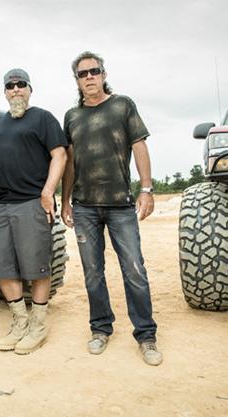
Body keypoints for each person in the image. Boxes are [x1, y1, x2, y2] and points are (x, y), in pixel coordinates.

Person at [61, 51, 162, 366]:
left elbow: (139, 145)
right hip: (84, 208)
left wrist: (146, 189)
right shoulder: (72, 116)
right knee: (93, 273)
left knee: (134, 270)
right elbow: (70, 162)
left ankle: (146, 335)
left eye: (94, 71)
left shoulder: (122, 105)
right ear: (77, 80)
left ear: (103, 75)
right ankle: (100, 329)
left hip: (120, 205)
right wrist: (65, 200)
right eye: (83, 74)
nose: (89, 77)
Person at [0, 69, 67, 355]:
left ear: (29, 89)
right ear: (5, 92)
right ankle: (20, 321)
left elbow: (60, 155)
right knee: (2, 267)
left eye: (20, 84)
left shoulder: (43, 118)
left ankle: (38, 325)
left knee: (37, 267)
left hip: (32, 203)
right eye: (10, 86)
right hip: (2, 205)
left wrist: (48, 192)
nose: (15, 89)